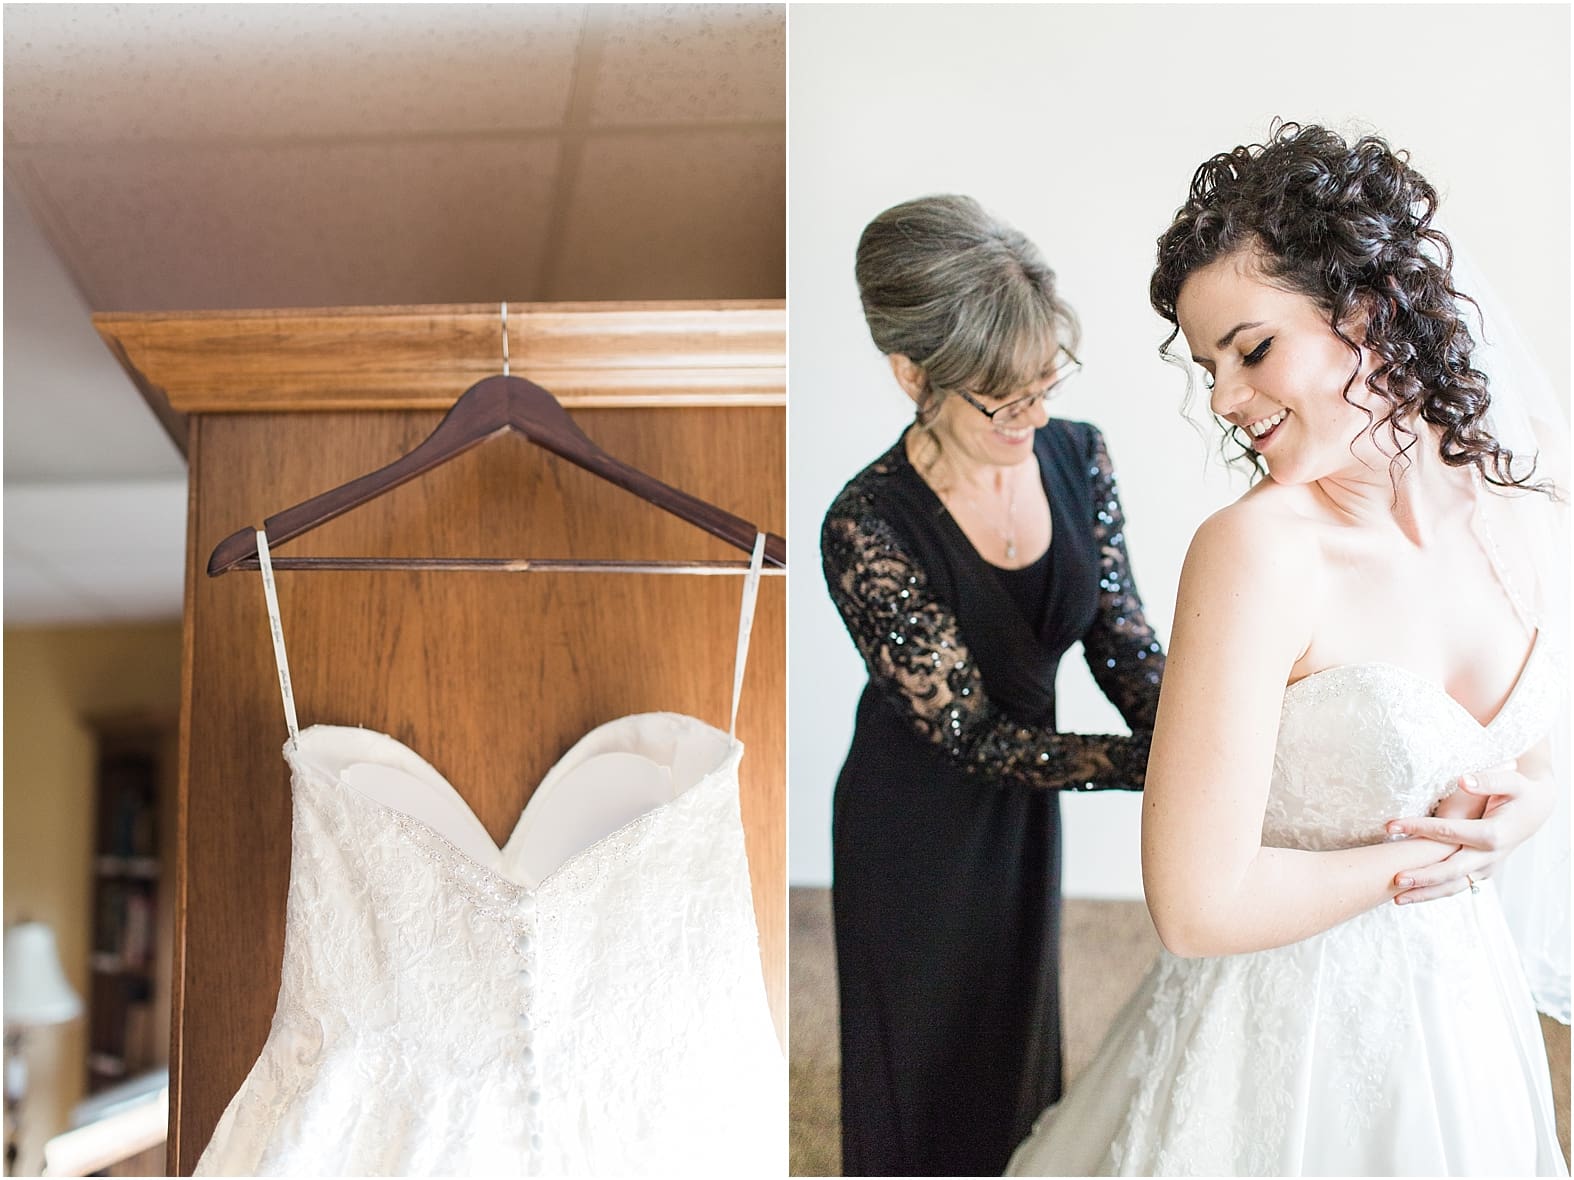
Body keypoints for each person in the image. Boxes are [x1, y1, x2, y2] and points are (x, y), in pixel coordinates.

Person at [1008, 122, 1568, 1177]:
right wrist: (1433, 859)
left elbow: (1527, 755)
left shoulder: (1521, 513)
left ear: (1369, 306)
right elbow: (1194, 905)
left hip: (1460, 1011)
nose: (1221, 398)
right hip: (1290, 1024)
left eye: (1251, 348)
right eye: (1208, 363)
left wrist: (1521, 813)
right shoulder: (1253, 554)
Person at [820, 194, 1167, 1177]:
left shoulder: (1075, 453)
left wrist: (1196, 732)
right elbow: (971, 737)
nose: (1034, 416)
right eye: (1000, 398)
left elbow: (1122, 641)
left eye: (1043, 384)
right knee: (921, 1064)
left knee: (1015, 1040)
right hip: (916, 822)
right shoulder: (865, 526)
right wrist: (1156, 765)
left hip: (1029, 804)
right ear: (910, 376)